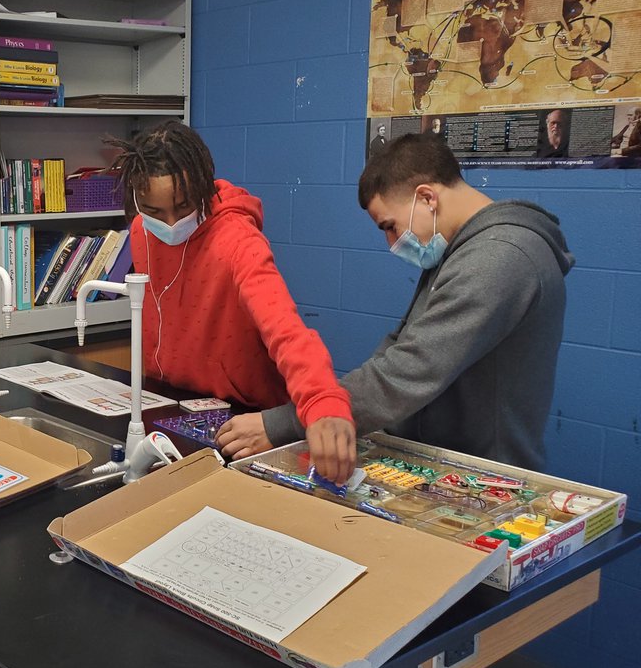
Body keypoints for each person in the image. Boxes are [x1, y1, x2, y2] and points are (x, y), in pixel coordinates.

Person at [218, 132, 573, 474]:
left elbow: (409, 370)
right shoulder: (461, 249)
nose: (392, 242)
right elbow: (397, 346)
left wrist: (290, 422)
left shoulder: (500, 257)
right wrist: (323, 406)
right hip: (435, 459)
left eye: (390, 225)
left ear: (427, 198)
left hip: (481, 473)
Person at [107, 120, 355, 480]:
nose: (172, 223)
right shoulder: (141, 231)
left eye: (183, 206)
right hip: (175, 407)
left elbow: (285, 329)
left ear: (203, 190)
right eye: (155, 211)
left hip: (244, 417)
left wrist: (323, 401)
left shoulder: (238, 240)